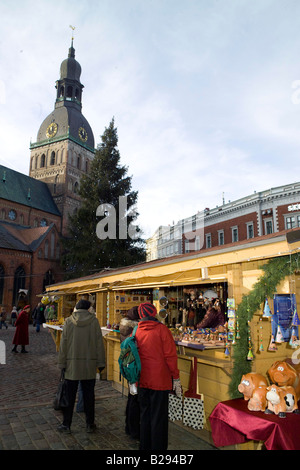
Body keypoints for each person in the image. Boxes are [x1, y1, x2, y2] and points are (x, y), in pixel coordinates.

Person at [135, 302, 182, 450]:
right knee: (159, 418)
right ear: (154, 313)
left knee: (144, 416)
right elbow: (170, 356)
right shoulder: (162, 330)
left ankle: (145, 447)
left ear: (141, 315)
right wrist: (176, 377)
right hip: (160, 381)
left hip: (141, 379)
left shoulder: (136, 331)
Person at [57, 299, 105, 433]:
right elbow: (98, 343)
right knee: (89, 395)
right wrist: (101, 362)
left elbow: (63, 345)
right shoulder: (94, 321)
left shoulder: (68, 321)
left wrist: (61, 363)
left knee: (69, 396)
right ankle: (90, 424)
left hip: (72, 364)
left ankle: (66, 424)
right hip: (89, 364)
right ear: (88, 308)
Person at [119, 306, 140, 439]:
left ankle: (129, 426)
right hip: (134, 367)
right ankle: (134, 429)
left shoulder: (124, 327)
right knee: (135, 399)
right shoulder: (135, 329)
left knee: (132, 396)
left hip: (128, 367)